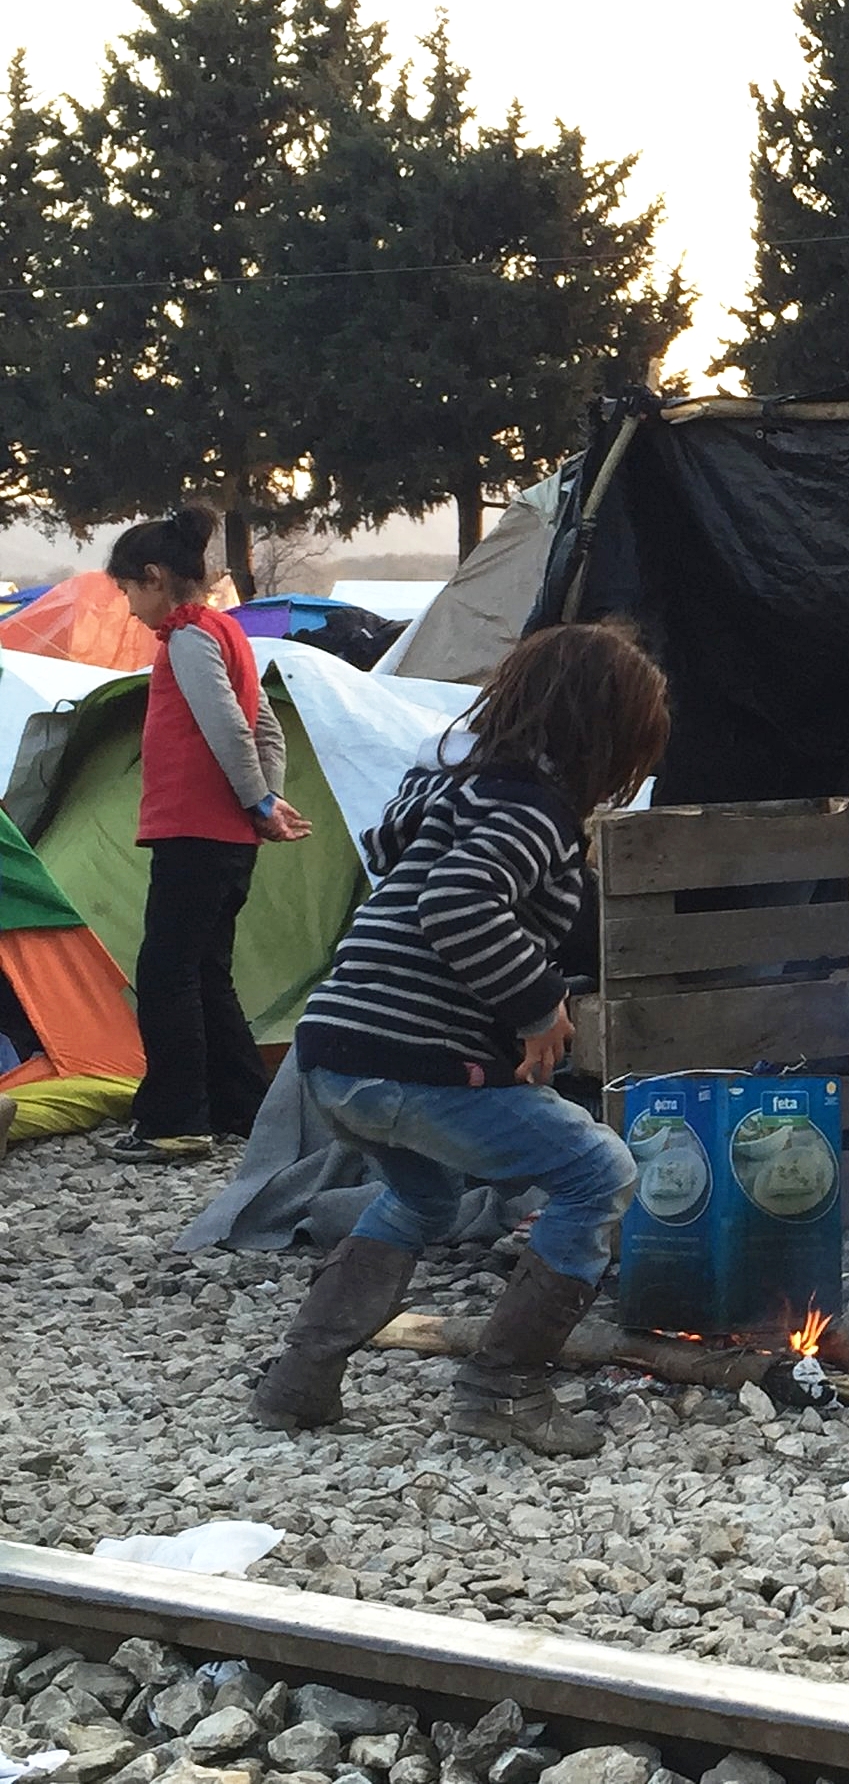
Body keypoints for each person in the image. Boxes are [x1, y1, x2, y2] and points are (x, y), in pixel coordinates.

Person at [249, 622, 669, 1456]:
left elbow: (395, 857)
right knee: (598, 1169)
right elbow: (458, 902)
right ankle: (504, 1391)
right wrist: (538, 1002)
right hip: (410, 1058)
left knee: (423, 1197)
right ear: (601, 732)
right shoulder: (533, 805)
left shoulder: (447, 785)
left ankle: (300, 1377)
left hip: (332, 1047)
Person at [101, 506, 311, 1164]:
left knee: (165, 972)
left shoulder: (188, 636)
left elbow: (227, 723)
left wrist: (258, 801)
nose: (131, 609)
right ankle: (242, 1107)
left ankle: (173, 1121)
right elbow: (264, 725)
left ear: (155, 578)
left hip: (194, 832)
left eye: (129, 591)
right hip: (227, 839)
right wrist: (264, 801)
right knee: (206, 971)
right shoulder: (228, 631)